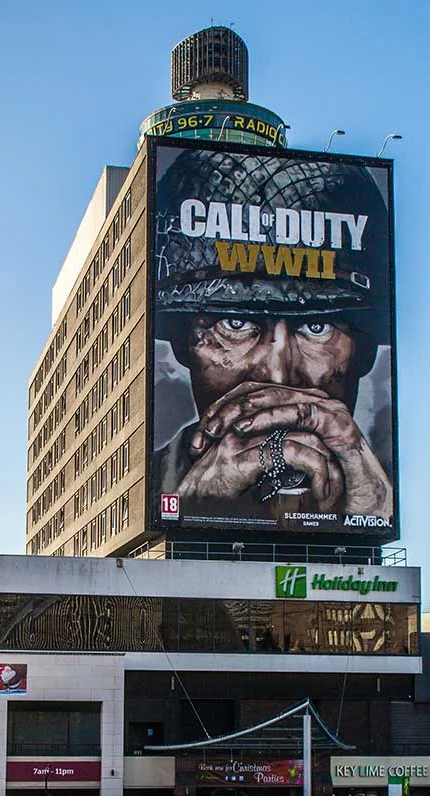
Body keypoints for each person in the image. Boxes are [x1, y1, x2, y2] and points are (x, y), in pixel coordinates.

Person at [150, 148, 395, 531]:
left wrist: (374, 508)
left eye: (317, 327)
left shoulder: (387, 493)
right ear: (184, 343)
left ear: (364, 352)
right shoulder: (144, 492)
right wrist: (188, 515)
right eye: (235, 323)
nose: (278, 376)